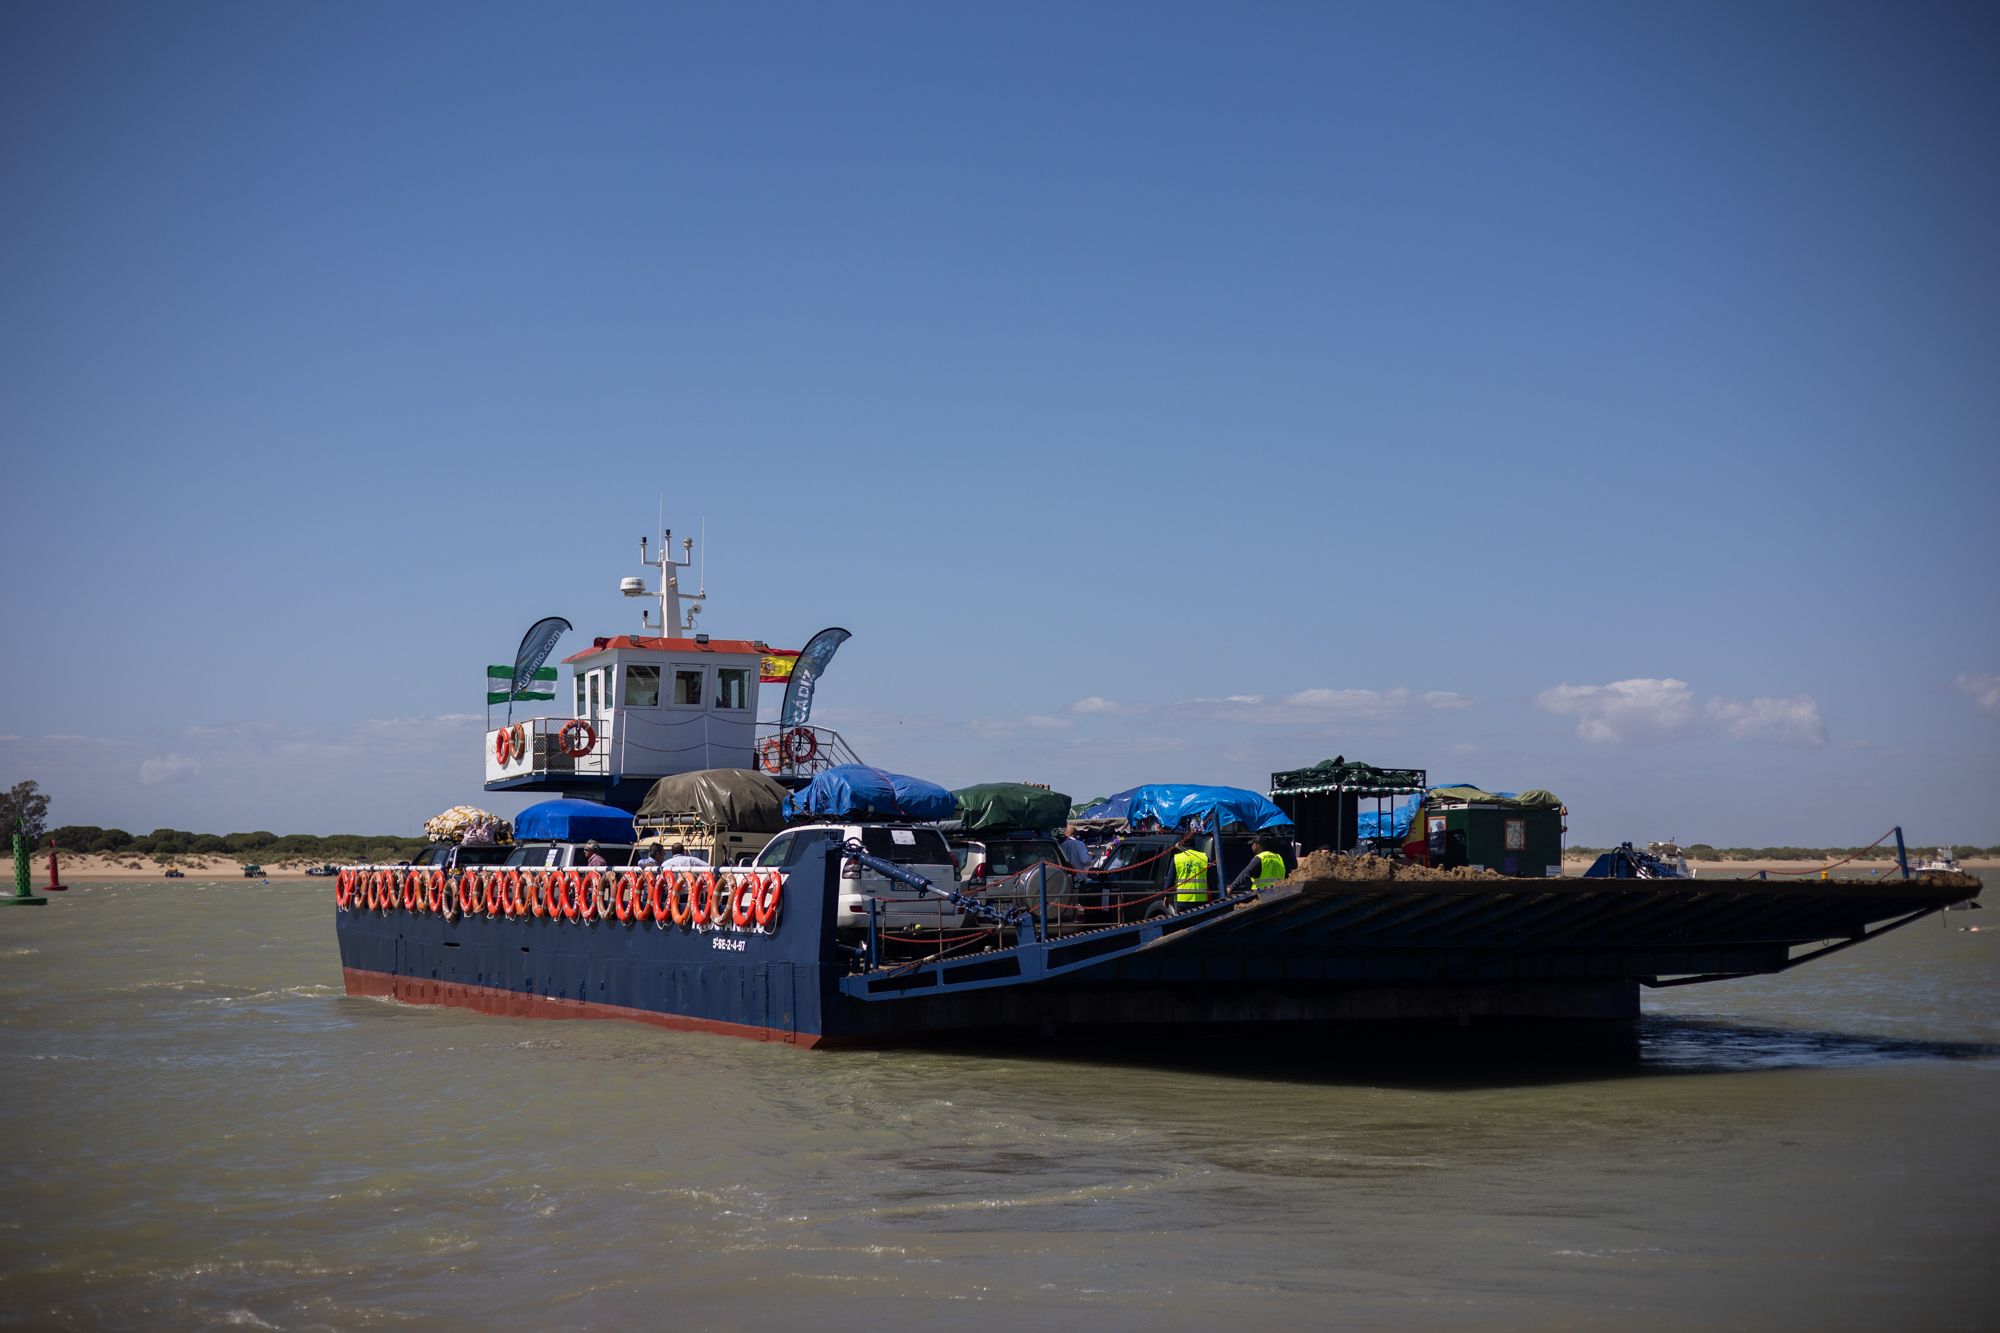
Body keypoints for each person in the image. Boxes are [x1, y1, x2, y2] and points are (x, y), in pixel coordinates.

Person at [1170, 834, 1211, 912]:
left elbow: (1170, 880)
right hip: (1201, 900)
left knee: (1183, 923)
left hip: (1182, 901)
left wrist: (1167, 896)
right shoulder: (1204, 857)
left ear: (1182, 843)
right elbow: (1212, 880)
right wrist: (1216, 894)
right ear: (1194, 842)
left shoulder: (1176, 859)